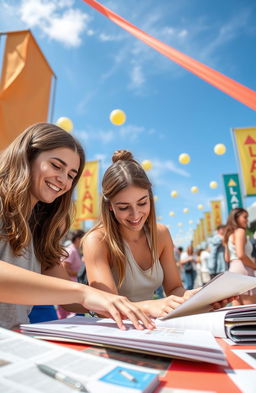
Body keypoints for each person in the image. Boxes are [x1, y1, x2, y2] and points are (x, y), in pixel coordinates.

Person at [0, 123, 154, 331]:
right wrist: (83, 293)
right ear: (28, 155)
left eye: (71, 175)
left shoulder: (41, 228)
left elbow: (70, 299)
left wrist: (143, 307)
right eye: (56, 166)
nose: (63, 180)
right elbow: (77, 294)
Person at [82, 150, 231, 318]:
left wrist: (195, 298)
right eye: (124, 207)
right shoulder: (96, 240)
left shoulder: (161, 234)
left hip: (150, 326)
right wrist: (150, 306)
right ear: (110, 206)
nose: (136, 214)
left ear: (150, 198)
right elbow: (106, 307)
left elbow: (174, 288)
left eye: (142, 203)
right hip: (109, 330)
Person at [223, 208, 256, 305]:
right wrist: (254, 266)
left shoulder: (228, 235)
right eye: (245, 217)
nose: (247, 220)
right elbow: (241, 255)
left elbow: (227, 258)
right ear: (236, 218)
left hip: (233, 270)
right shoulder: (240, 231)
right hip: (244, 269)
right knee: (251, 312)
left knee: (238, 312)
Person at [57, 229, 85, 319]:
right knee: (66, 315)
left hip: (72, 286)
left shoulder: (74, 250)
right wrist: (79, 274)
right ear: (78, 239)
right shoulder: (71, 250)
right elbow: (64, 268)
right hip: (69, 286)